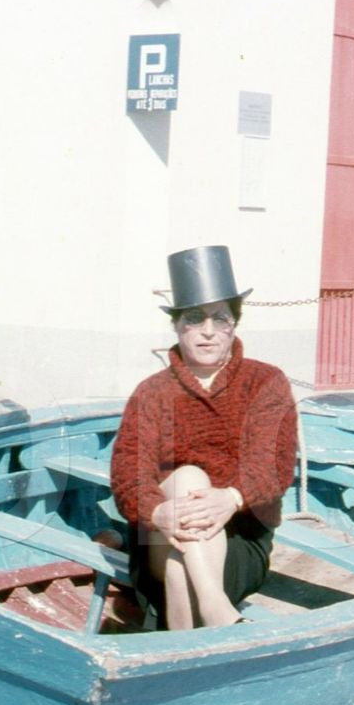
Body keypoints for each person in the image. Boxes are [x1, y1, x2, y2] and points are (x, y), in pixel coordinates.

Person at [110, 245, 298, 630]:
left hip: (240, 539)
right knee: (190, 478)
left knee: (185, 571)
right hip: (161, 537)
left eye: (220, 319)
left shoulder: (265, 382)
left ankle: (182, 642)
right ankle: (217, 613)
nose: (209, 332)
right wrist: (158, 512)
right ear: (178, 327)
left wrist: (231, 499)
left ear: (234, 325)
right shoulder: (153, 392)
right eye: (195, 319)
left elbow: (275, 465)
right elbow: (129, 471)